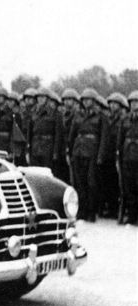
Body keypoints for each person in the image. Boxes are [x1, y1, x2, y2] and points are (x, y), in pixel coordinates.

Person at [68, 88, 107, 221]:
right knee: (79, 183)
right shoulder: (78, 115)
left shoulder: (101, 116)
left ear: (94, 101)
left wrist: (100, 156)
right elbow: (72, 135)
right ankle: (81, 211)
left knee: (91, 183)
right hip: (78, 151)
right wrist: (70, 151)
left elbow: (104, 138)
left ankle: (91, 212)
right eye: (84, 100)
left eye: (89, 100)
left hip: (92, 153)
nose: (86, 102)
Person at [117, 91, 138, 225]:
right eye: (132, 102)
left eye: (136, 102)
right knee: (128, 187)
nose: (134, 105)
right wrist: (118, 153)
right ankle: (131, 216)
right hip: (127, 156)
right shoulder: (125, 119)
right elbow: (120, 138)